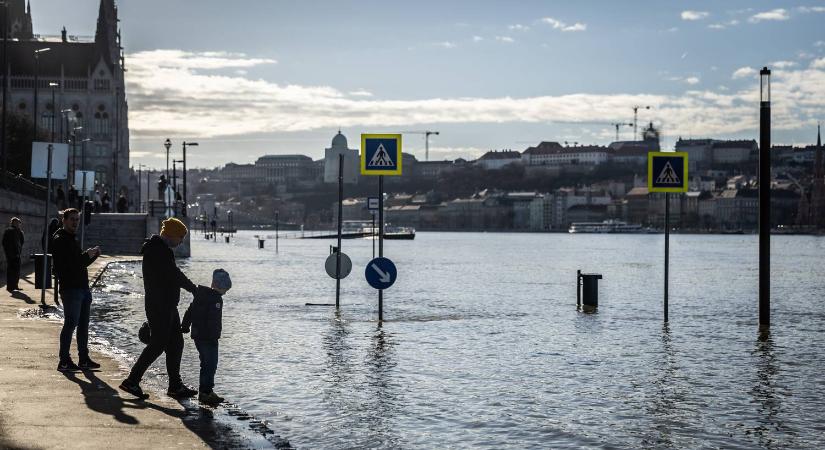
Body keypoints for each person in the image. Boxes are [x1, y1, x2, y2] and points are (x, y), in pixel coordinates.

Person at [120, 217, 197, 399]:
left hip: (168, 305)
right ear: (171, 235)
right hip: (159, 305)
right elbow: (174, 274)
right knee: (157, 344)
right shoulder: (158, 250)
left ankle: (175, 386)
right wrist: (193, 288)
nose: (181, 242)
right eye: (180, 237)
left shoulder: (161, 249)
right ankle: (132, 381)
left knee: (176, 343)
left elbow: (172, 275)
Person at [51, 208, 101, 372]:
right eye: (72, 219)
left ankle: (83, 359)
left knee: (83, 325)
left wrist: (92, 256)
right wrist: (87, 254)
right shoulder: (60, 239)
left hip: (82, 288)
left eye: (77, 219)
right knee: (71, 323)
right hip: (71, 289)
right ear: (64, 220)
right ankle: (64, 360)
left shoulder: (71, 239)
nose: (75, 222)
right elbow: (71, 265)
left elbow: (80, 264)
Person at [181, 269, 231, 406]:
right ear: (218, 285)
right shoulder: (216, 299)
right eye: (225, 289)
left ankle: (206, 391)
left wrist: (185, 326)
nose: (225, 292)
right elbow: (212, 320)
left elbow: (190, 311)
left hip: (199, 336)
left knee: (206, 364)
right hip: (209, 338)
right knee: (210, 364)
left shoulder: (201, 295)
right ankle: (205, 392)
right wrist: (214, 336)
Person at [2, 217, 24, 293]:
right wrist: (9, 253)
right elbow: (4, 243)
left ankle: (15, 286)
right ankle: (10, 287)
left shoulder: (19, 231)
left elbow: (21, 242)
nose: (18, 224)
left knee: (17, 271)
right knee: (11, 271)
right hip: (11, 254)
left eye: (19, 223)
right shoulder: (9, 231)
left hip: (17, 253)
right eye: (17, 222)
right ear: (13, 223)